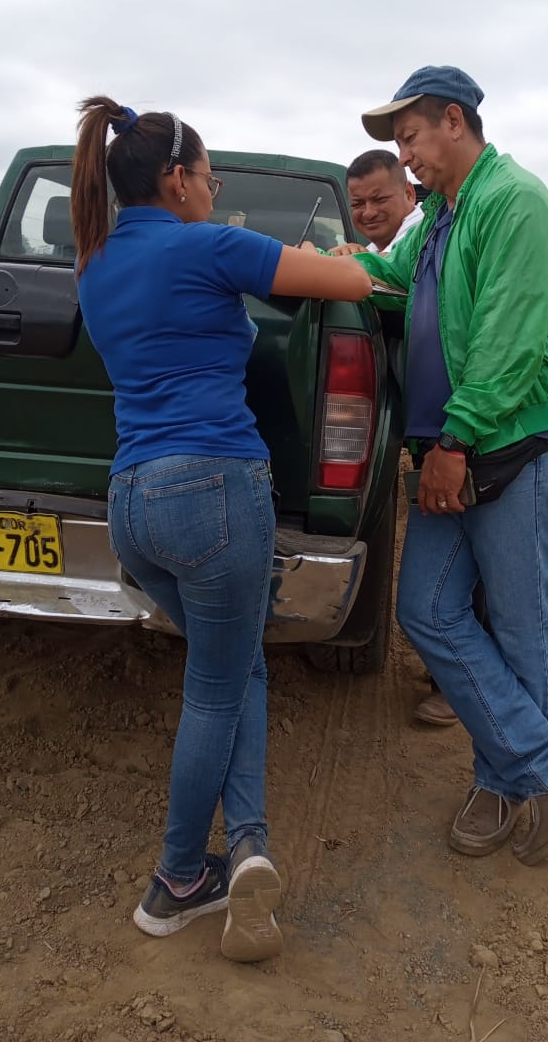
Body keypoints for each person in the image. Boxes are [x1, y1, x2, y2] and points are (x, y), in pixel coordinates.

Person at [70, 98, 371, 961]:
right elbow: (352, 287)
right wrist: (337, 257)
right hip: (214, 493)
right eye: (209, 177)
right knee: (215, 685)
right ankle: (174, 880)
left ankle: (245, 848)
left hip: (132, 504)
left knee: (235, 666)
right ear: (177, 180)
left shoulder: (94, 264)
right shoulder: (206, 245)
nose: (214, 190)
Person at [351, 65, 548, 864]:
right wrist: (327, 261)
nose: (405, 155)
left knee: (519, 626)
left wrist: (454, 443)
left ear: (453, 121)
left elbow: (508, 341)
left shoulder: (513, 201)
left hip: (515, 447)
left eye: (411, 137)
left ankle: (502, 784)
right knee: (427, 609)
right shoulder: (440, 216)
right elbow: (393, 279)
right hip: (457, 451)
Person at [335, 150, 460, 727]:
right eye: (358, 203)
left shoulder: (423, 235)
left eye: (380, 198)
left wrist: (343, 264)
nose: (368, 211)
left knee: (464, 556)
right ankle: (453, 677)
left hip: (458, 427)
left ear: (410, 195)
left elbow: (398, 290)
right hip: (430, 428)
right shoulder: (393, 247)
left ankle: (458, 686)